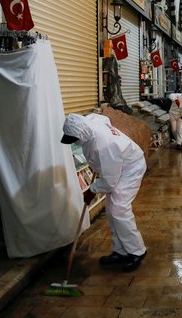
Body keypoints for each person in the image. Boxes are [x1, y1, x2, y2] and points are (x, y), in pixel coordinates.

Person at [61, 113, 147, 271]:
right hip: (118, 164)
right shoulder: (91, 121)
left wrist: (91, 190)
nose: (74, 143)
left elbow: (109, 181)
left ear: (81, 134)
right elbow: (104, 118)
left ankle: (136, 251)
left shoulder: (105, 146)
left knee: (119, 209)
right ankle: (120, 251)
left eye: (74, 139)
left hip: (131, 167)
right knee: (112, 209)